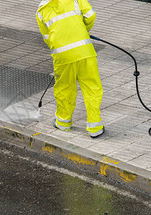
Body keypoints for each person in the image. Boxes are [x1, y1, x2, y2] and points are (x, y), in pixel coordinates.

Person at [36, 0, 105, 138]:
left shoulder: (41, 11)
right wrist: (84, 31)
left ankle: (63, 122)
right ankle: (95, 126)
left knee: (64, 88)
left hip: (62, 56)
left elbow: (47, 37)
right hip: (84, 51)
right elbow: (90, 15)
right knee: (92, 87)